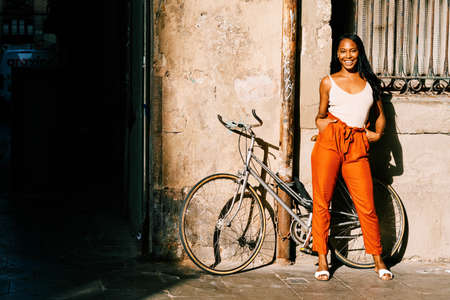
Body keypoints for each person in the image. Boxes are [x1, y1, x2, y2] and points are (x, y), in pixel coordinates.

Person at [310, 33, 393, 281]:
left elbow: (380, 115)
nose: (348, 56)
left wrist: (377, 135)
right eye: (343, 51)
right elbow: (320, 116)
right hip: (330, 143)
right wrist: (327, 131)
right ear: (337, 55)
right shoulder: (328, 82)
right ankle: (323, 259)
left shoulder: (370, 84)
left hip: (357, 145)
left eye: (353, 50)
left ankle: (378, 259)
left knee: (366, 206)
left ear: (359, 53)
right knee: (322, 203)